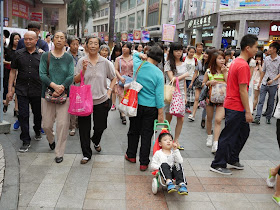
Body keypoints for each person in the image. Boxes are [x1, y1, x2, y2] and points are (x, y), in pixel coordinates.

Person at [210, 34, 258, 175]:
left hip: (233, 103)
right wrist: (248, 111)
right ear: (248, 48)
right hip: (236, 105)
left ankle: (232, 158)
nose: (257, 50)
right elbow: (243, 90)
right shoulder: (242, 65)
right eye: (255, 47)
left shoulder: (237, 61)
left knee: (243, 132)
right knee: (229, 135)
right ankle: (218, 163)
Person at [74, 36, 117, 164]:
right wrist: (83, 70)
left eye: (95, 43)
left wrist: (109, 91)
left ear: (99, 46)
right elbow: (75, 80)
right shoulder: (81, 61)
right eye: (90, 43)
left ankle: (96, 140)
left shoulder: (105, 62)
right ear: (86, 45)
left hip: (102, 99)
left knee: (100, 126)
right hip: (84, 100)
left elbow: (114, 77)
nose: (93, 46)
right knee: (84, 128)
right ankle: (86, 154)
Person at [125, 47, 164, 171]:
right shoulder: (159, 73)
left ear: (148, 55)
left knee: (133, 130)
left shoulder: (138, 65)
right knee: (147, 134)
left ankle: (131, 155)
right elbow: (159, 95)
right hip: (151, 107)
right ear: (159, 60)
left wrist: (142, 55)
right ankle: (144, 162)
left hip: (136, 105)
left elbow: (134, 54)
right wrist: (160, 112)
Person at [40, 31, 74, 163]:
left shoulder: (68, 58)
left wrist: (61, 88)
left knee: (63, 124)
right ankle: (51, 140)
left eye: (62, 38)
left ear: (65, 41)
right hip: (47, 94)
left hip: (64, 96)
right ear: (53, 40)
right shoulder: (45, 56)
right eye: (57, 37)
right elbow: (42, 74)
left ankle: (59, 152)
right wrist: (54, 86)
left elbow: (71, 75)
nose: (59, 40)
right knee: (46, 125)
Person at [7, 31, 43, 153]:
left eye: (30, 39)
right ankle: (25, 140)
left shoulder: (42, 55)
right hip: (21, 90)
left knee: (38, 114)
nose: (28, 41)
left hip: (37, 90)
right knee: (23, 115)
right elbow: (12, 72)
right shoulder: (18, 54)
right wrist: (9, 90)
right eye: (26, 39)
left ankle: (37, 129)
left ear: (36, 40)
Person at [164, 42, 190, 150]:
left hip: (180, 94)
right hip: (171, 94)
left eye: (180, 50)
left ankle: (176, 140)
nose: (179, 53)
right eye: (176, 50)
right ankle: (166, 141)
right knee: (168, 119)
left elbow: (182, 82)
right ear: (172, 52)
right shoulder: (168, 64)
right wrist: (184, 75)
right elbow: (172, 80)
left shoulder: (184, 64)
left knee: (181, 119)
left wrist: (185, 96)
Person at [203, 52, 228, 154]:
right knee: (209, 118)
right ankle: (209, 135)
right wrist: (209, 83)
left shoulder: (226, 70)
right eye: (219, 58)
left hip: (222, 99)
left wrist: (225, 72)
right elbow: (203, 83)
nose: (222, 60)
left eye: (223, 58)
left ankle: (216, 143)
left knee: (218, 120)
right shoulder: (209, 71)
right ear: (214, 60)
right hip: (211, 98)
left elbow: (229, 83)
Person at [253, 42, 280, 125]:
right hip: (264, 83)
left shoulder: (279, 59)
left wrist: (273, 80)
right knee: (261, 101)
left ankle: (268, 117)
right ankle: (257, 117)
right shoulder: (267, 59)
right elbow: (263, 71)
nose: (269, 50)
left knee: (271, 102)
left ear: (275, 49)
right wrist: (260, 82)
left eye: (270, 48)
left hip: (273, 84)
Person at [67, 35, 84, 136]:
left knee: (80, 103)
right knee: (72, 103)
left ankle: (78, 123)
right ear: (69, 45)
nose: (75, 46)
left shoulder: (82, 55)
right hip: (70, 82)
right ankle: (72, 126)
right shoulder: (66, 55)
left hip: (81, 82)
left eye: (77, 44)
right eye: (73, 44)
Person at [188, 50, 209, 123]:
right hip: (199, 81)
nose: (206, 55)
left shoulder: (211, 64)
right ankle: (193, 114)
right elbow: (195, 73)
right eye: (205, 53)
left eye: (208, 54)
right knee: (197, 98)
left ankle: (204, 117)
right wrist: (191, 82)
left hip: (207, 83)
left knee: (206, 101)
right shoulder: (199, 62)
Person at [115, 42, 133, 125]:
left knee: (129, 98)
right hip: (122, 81)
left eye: (126, 47)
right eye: (123, 47)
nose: (124, 49)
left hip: (131, 81)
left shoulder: (133, 59)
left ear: (130, 49)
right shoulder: (118, 59)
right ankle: (123, 115)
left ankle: (126, 111)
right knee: (122, 97)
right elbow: (116, 70)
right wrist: (120, 77)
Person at [3, 32, 21, 115]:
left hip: (19, 72)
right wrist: (10, 63)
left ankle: (16, 109)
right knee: (11, 90)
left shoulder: (21, 50)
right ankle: (6, 103)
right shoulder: (7, 49)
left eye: (18, 39)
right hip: (9, 72)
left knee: (17, 90)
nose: (17, 41)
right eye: (15, 39)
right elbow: (2, 60)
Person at [109, 43, 122, 111]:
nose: (118, 52)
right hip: (113, 76)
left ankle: (121, 105)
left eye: (119, 51)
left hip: (121, 76)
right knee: (114, 91)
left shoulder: (122, 58)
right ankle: (113, 104)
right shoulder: (111, 58)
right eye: (116, 51)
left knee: (120, 92)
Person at [185, 46, 197, 114]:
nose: (191, 53)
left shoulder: (195, 60)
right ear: (187, 51)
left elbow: (195, 71)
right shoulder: (184, 59)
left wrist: (192, 81)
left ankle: (187, 107)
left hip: (190, 78)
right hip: (183, 78)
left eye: (193, 52)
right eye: (190, 52)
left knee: (189, 93)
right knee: (183, 93)